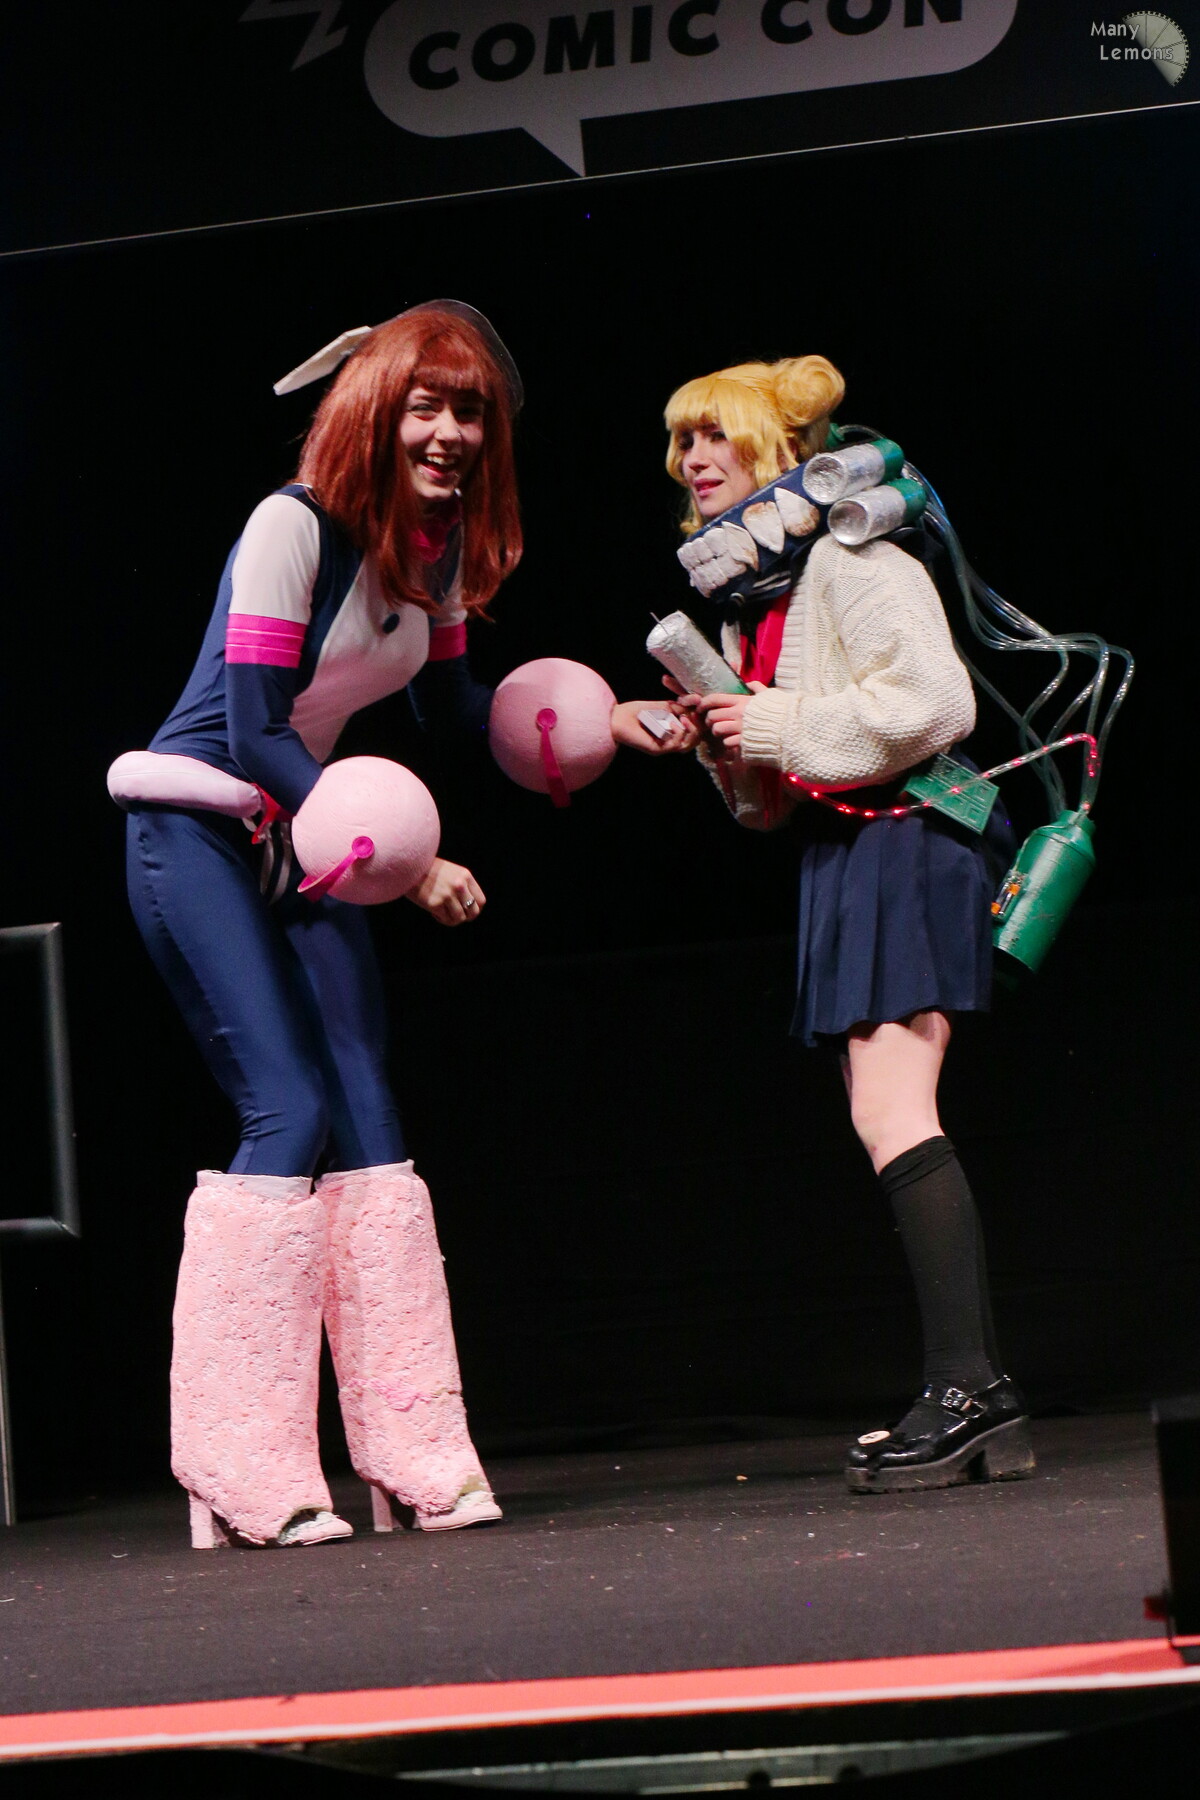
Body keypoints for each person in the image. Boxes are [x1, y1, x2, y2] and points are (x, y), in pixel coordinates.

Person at [113, 303, 528, 1547]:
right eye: (425, 406)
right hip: (200, 825)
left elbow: (456, 713)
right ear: (374, 411)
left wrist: (598, 723)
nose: (450, 434)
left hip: (309, 834)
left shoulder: (432, 553)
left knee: (370, 1121)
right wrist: (409, 863)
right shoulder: (290, 526)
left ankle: (412, 1444)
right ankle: (238, 1458)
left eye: (469, 412)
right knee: (286, 1110)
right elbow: (250, 732)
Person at [661, 354, 1034, 1493]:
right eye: (682, 442)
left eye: (715, 435)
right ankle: (978, 1395)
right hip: (848, 850)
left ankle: (970, 1391)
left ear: (778, 450)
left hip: (910, 834)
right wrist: (724, 746)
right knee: (887, 1112)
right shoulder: (755, 605)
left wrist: (770, 722)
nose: (694, 459)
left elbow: (936, 704)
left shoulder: (850, 557)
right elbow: (772, 803)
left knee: (891, 1108)